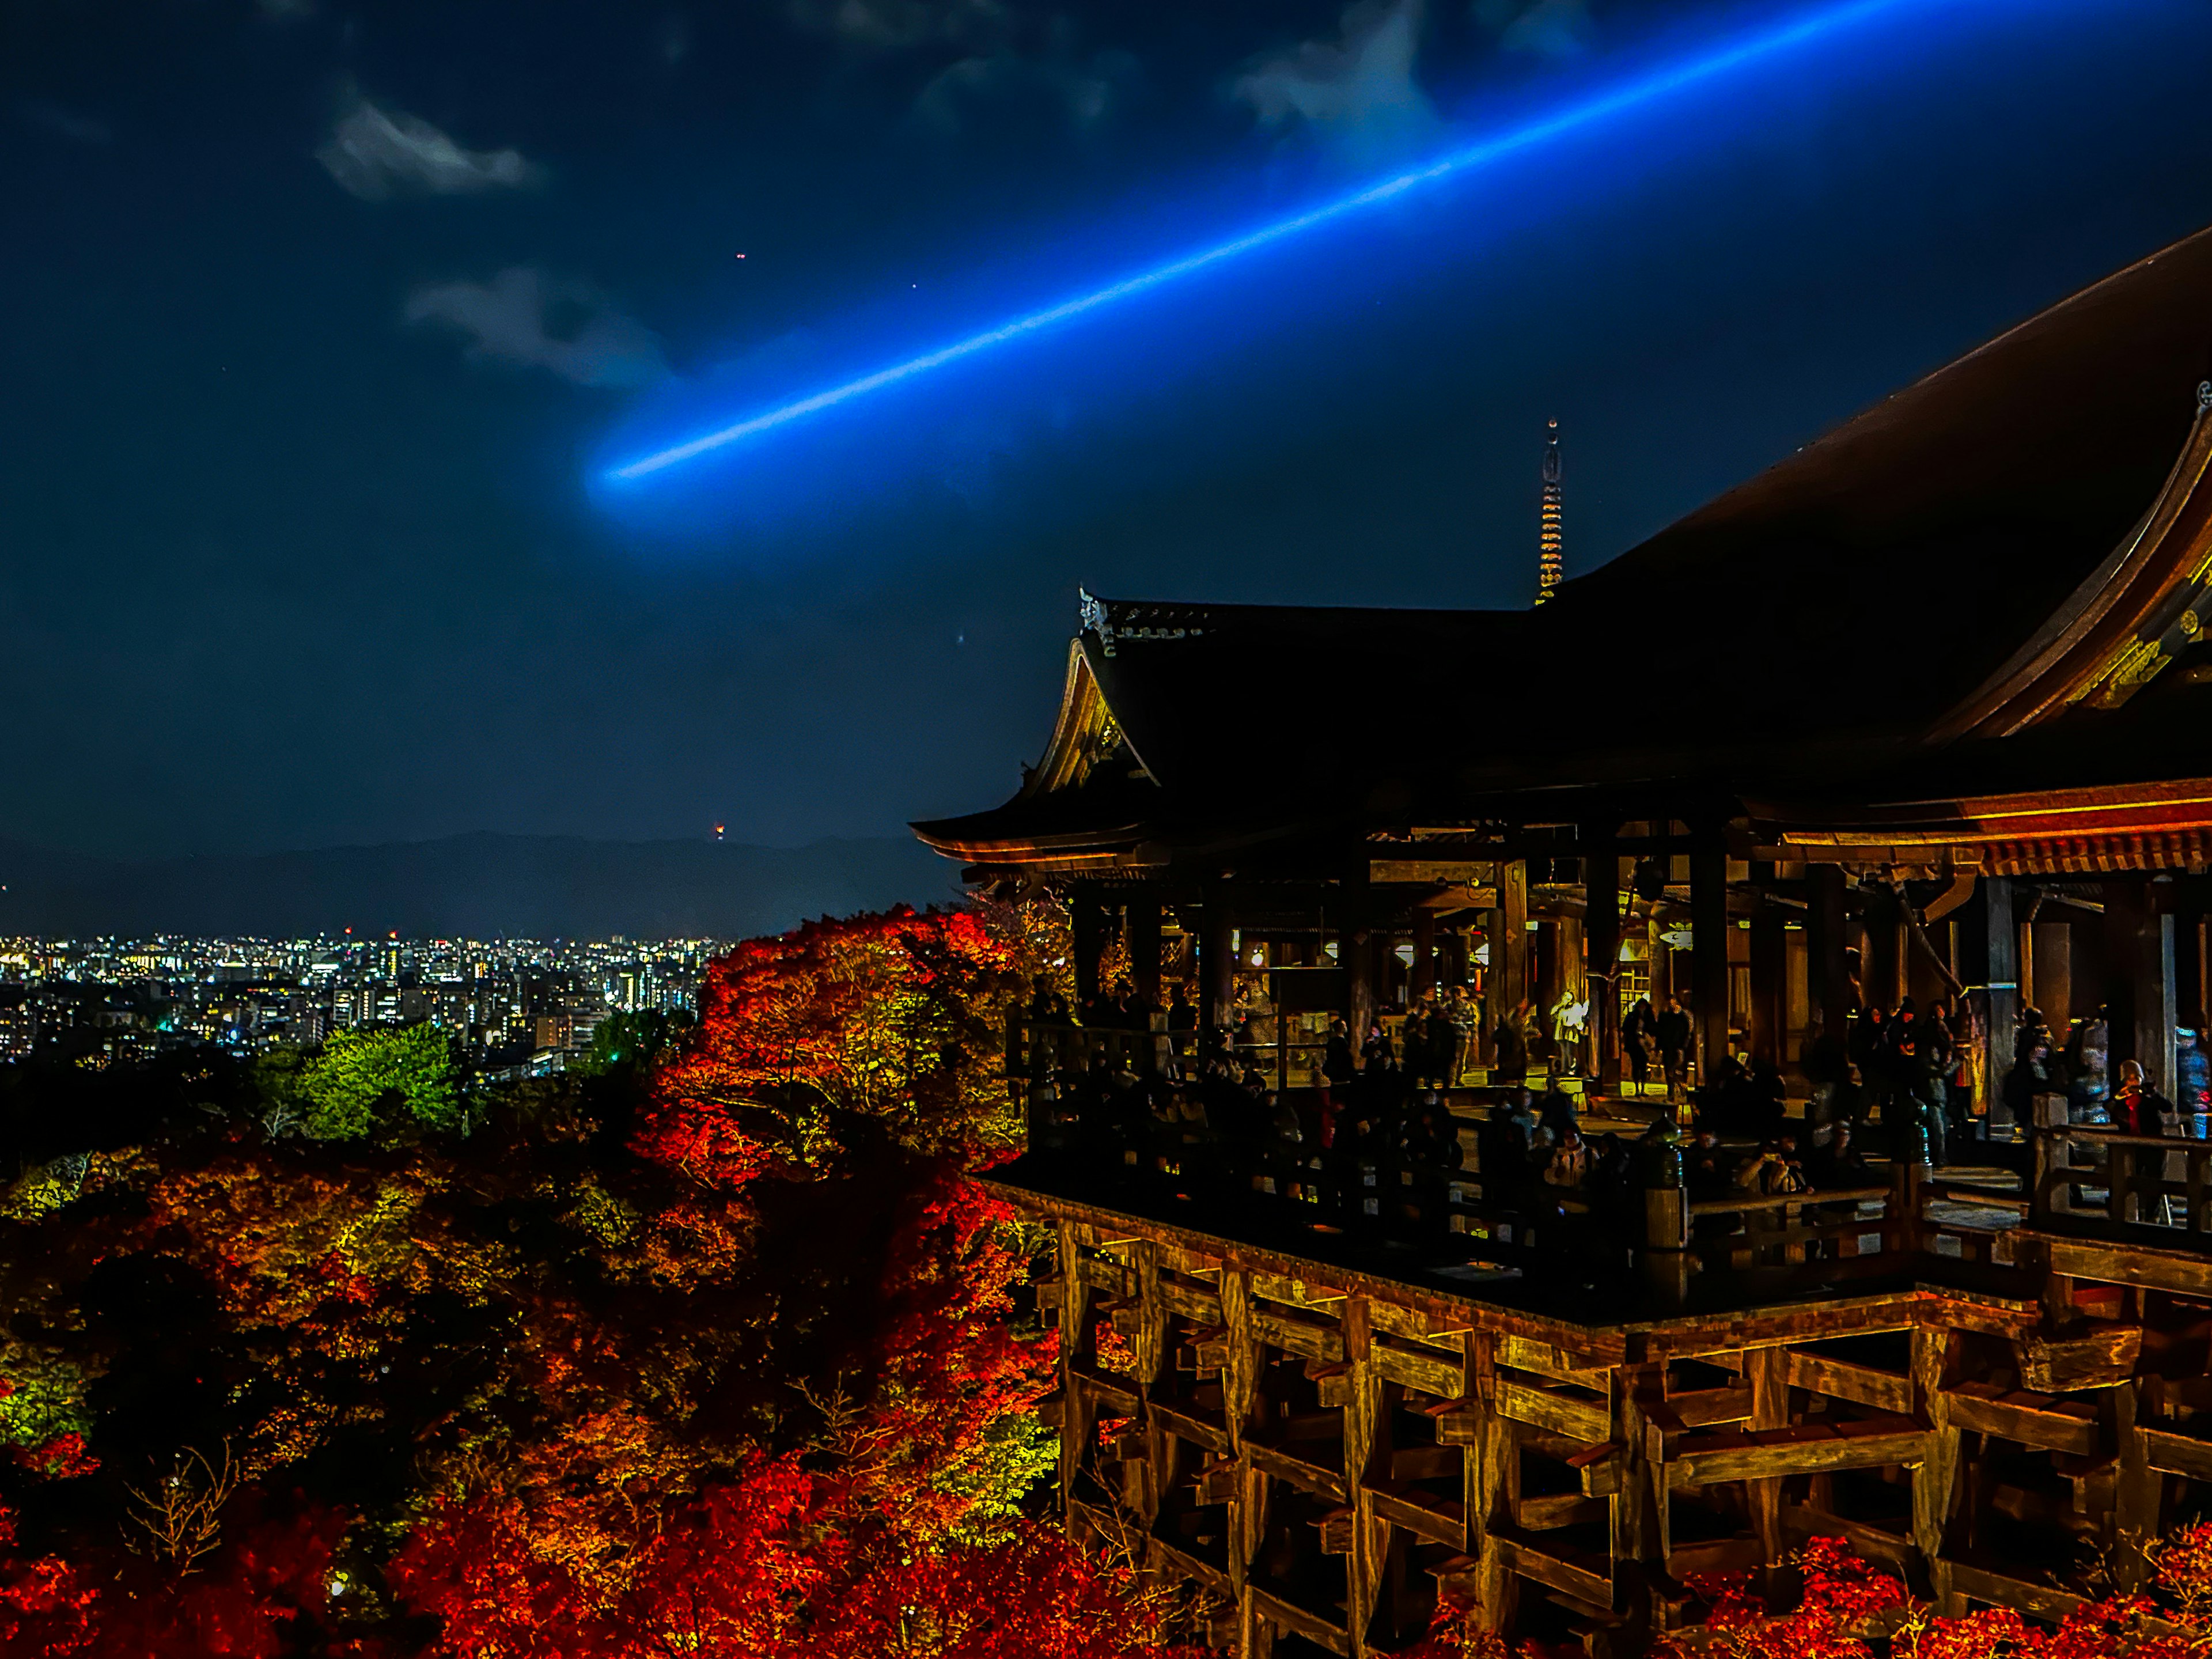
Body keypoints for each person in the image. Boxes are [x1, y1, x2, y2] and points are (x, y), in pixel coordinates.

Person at [1657, 996, 1692, 1101]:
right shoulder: (1665, 1017)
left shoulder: (1683, 1018)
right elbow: (1661, 1032)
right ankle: (1671, 1090)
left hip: (1678, 1046)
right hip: (1668, 1046)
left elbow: (1687, 1033)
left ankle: (1679, 1088)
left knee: (1677, 1067)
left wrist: (1684, 1045)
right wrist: (1659, 1046)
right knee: (1669, 1069)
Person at [1622, 997, 1658, 1094]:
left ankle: (1642, 1088)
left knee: (1643, 1066)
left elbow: (1653, 1029)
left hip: (1644, 1045)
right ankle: (1637, 1088)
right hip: (1635, 1044)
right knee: (1636, 1066)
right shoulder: (1632, 1016)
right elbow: (1626, 1028)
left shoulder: (1648, 1018)